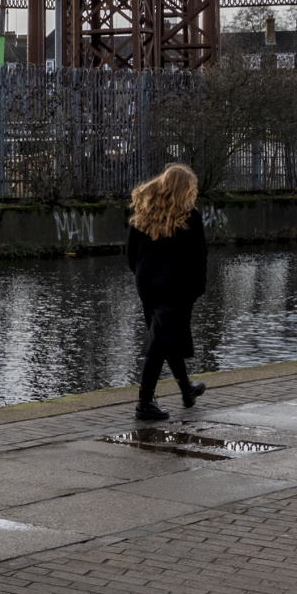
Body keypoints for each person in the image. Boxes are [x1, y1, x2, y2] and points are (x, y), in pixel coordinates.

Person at [126, 160, 207, 420]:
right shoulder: (190, 216)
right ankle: (144, 403)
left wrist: (142, 277)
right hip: (177, 287)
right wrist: (197, 288)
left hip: (148, 284)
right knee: (160, 342)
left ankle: (186, 390)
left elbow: (130, 253)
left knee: (166, 337)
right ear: (185, 189)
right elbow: (199, 256)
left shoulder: (144, 213)